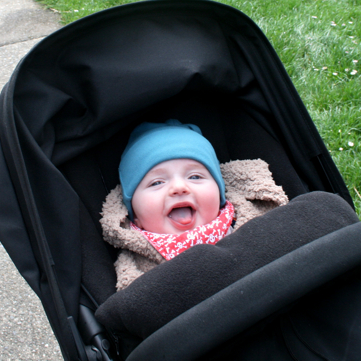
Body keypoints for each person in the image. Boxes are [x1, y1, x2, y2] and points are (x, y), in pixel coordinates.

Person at [100, 119, 288, 290]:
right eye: (157, 182)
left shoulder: (254, 223)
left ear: (220, 194)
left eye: (195, 177)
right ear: (135, 215)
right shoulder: (135, 266)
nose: (179, 188)